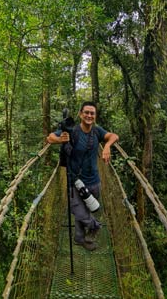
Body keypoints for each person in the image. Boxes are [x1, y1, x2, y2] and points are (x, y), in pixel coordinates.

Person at [46, 101, 119, 251]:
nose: (89, 115)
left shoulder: (97, 131)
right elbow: (50, 138)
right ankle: (95, 227)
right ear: (80, 114)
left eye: (92, 113)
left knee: (88, 210)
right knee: (79, 211)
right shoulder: (72, 130)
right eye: (86, 112)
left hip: (94, 181)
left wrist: (106, 146)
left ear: (95, 116)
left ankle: (80, 238)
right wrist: (60, 140)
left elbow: (114, 136)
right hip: (75, 181)